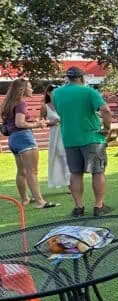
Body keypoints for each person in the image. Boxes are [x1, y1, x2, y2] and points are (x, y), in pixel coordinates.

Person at [53, 67, 113, 217]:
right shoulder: (89, 91)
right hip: (91, 136)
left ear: (68, 78)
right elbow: (105, 110)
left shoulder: (56, 93)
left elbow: (61, 112)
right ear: (82, 78)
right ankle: (98, 206)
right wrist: (106, 128)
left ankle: (78, 207)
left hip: (69, 138)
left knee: (75, 173)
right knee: (97, 172)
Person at [0, 78, 58, 209]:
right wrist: (37, 124)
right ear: (23, 89)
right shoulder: (21, 103)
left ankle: (25, 198)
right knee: (32, 172)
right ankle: (40, 202)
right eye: (30, 87)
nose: (32, 89)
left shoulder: (9, 103)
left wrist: (39, 122)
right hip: (24, 138)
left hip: (13, 140)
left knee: (21, 172)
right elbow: (20, 123)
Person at [40, 84, 70, 190]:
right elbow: (41, 122)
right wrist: (51, 122)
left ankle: (70, 182)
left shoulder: (64, 104)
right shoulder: (45, 106)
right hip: (55, 135)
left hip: (67, 133)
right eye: (54, 91)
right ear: (48, 93)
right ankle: (64, 181)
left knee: (68, 157)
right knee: (59, 157)